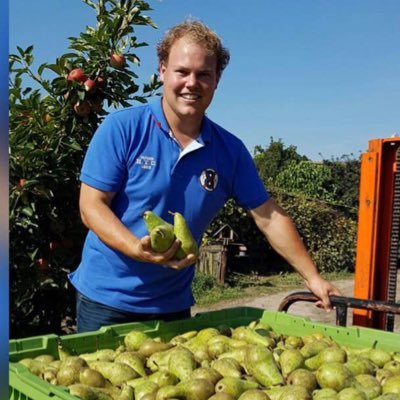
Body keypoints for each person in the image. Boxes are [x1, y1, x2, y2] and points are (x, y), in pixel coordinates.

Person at [69, 18, 341, 333]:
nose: (192, 83)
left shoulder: (230, 151)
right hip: (106, 302)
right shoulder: (123, 129)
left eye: (203, 75)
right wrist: (134, 247)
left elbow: (269, 216)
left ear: (216, 80)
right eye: (182, 71)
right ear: (162, 71)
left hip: (172, 306)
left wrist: (313, 278)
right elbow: (91, 207)